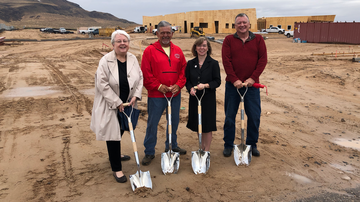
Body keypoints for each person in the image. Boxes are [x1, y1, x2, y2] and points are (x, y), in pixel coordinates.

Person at [90, 30, 143, 183]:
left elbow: (140, 78)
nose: (122, 44)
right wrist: (117, 102)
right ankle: (117, 168)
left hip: (128, 103)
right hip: (110, 104)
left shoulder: (132, 58)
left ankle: (116, 154)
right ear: (113, 44)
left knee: (120, 129)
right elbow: (102, 84)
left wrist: (136, 96)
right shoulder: (105, 61)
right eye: (119, 41)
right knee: (112, 134)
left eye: (125, 41)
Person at [141, 21, 187, 166]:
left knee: (173, 121)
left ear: (172, 34)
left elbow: (183, 71)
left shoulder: (178, 51)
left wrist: (178, 85)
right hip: (156, 95)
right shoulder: (149, 51)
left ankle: (172, 145)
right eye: (163, 33)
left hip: (174, 94)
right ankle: (149, 151)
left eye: (168, 33)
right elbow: (145, 73)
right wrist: (158, 86)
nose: (166, 35)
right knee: (152, 123)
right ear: (157, 34)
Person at [222, 13, 267, 157]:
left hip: (251, 87)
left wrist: (253, 79)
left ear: (249, 24)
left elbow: (262, 60)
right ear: (235, 26)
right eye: (239, 23)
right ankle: (228, 144)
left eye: (244, 22)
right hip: (232, 86)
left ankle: (251, 144)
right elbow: (226, 61)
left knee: (254, 117)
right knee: (230, 117)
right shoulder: (228, 40)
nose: (242, 25)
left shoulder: (258, 39)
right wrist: (234, 79)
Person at [185, 37, 221, 151]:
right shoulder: (190, 63)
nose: (202, 48)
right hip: (195, 98)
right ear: (195, 48)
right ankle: (201, 146)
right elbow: (187, 80)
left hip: (208, 98)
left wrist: (205, 85)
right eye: (199, 46)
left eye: (204, 46)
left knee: (207, 124)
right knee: (198, 124)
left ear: (208, 48)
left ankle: (206, 150)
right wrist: (190, 88)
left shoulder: (213, 63)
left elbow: (217, 81)